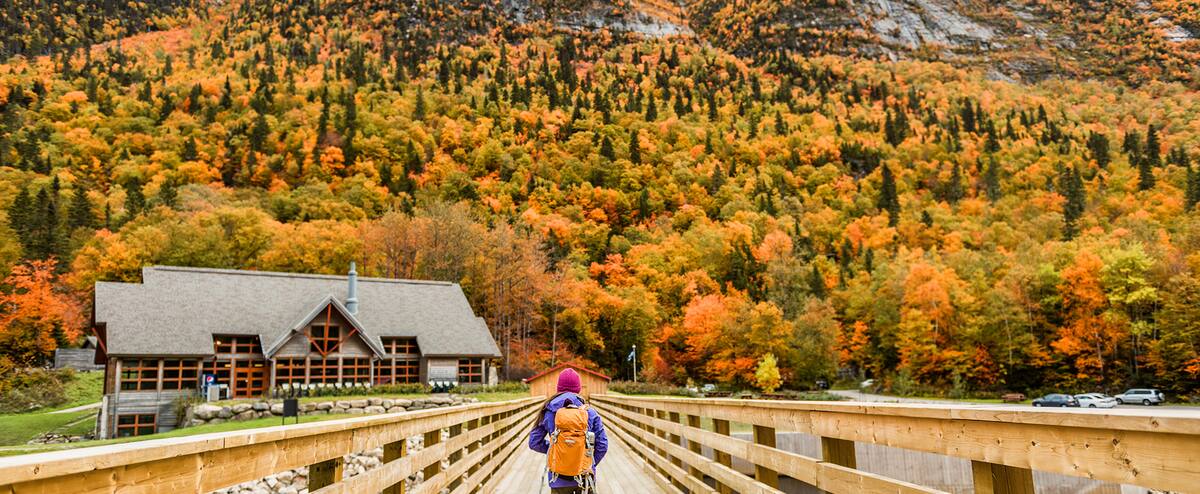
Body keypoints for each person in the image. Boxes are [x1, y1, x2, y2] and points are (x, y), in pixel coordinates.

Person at [528, 368, 609, 493]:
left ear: (558, 387)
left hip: (558, 479)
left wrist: (557, 450)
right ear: (578, 388)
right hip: (585, 478)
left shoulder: (548, 410)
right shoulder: (590, 412)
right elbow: (602, 445)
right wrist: (588, 463)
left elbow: (534, 442)